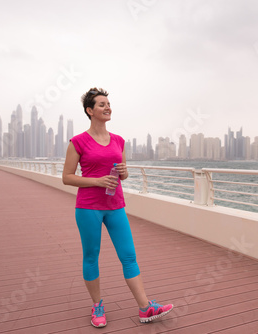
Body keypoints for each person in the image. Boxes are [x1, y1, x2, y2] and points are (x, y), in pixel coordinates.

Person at [62, 87, 173, 328]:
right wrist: (97, 181)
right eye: (101, 104)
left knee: (129, 255)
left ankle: (145, 308)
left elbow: (122, 174)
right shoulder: (78, 141)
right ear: (90, 111)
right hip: (89, 207)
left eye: (108, 103)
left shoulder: (119, 141)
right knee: (91, 256)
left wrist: (124, 173)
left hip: (115, 206)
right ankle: (97, 305)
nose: (107, 107)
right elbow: (67, 177)